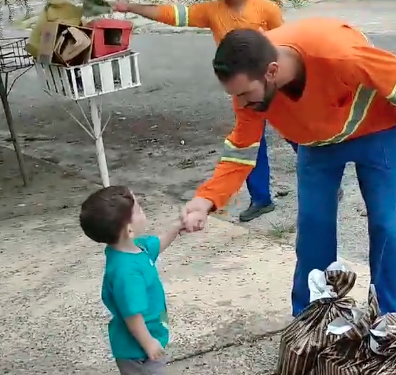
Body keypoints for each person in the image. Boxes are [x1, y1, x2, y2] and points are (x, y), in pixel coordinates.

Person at [179, 19, 396, 318]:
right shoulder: (249, 93)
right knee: (313, 226)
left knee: (384, 222)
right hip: (317, 144)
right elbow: (242, 150)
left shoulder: (338, 53)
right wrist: (205, 200)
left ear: (271, 71)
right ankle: (311, 317)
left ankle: (389, 319)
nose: (240, 103)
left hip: (378, 132)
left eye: (244, 94)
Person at [113, 0, 297, 221]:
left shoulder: (266, 8)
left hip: (271, 88)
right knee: (249, 145)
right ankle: (261, 199)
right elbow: (172, 14)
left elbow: (285, 43)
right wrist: (131, 7)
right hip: (244, 96)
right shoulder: (212, 10)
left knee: (295, 133)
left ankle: (321, 179)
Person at [79, 186, 183, 375]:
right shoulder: (126, 273)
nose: (142, 208)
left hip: (149, 335)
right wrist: (148, 343)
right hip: (136, 346)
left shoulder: (134, 249)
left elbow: (157, 245)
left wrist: (177, 227)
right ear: (128, 228)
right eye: (138, 208)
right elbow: (132, 315)